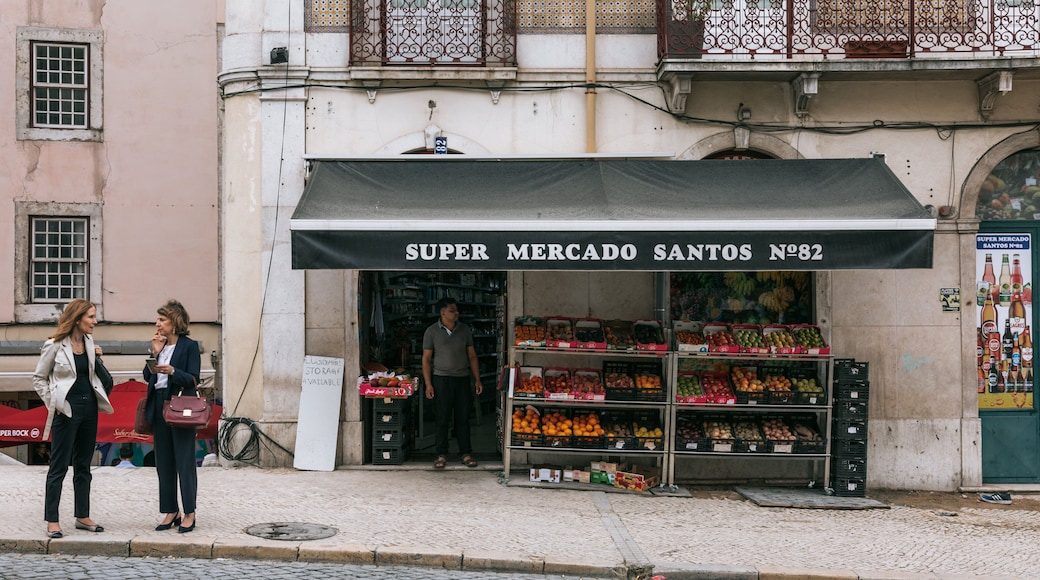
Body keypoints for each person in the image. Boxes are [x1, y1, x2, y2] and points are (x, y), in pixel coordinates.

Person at [32, 299, 115, 538]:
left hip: (89, 408)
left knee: (83, 465)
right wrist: (54, 403)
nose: (95, 321)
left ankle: (82, 516)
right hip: (66, 410)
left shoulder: (89, 344)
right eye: (90, 317)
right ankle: (52, 520)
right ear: (77, 319)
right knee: (58, 467)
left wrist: (97, 356)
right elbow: (39, 378)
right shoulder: (54, 345)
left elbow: (94, 377)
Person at [142, 299, 201, 533]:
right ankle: (170, 510)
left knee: (185, 461)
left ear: (174, 322)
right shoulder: (161, 346)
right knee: (164, 462)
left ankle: (189, 512)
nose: (157, 324)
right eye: (157, 319)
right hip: (158, 404)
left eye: (162, 319)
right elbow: (148, 377)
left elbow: (194, 379)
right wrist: (155, 354)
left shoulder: (189, 346)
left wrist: (173, 371)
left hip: (180, 406)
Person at [422, 297, 483, 469]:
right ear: (443, 313)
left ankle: (465, 453)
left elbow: (472, 356)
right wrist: (428, 384)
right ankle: (441, 454)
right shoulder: (431, 332)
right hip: (441, 379)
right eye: (452, 310)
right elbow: (426, 359)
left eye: (456, 310)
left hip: (462, 378)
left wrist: (477, 379)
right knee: (442, 417)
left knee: (463, 417)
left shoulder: (464, 330)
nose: (457, 313)